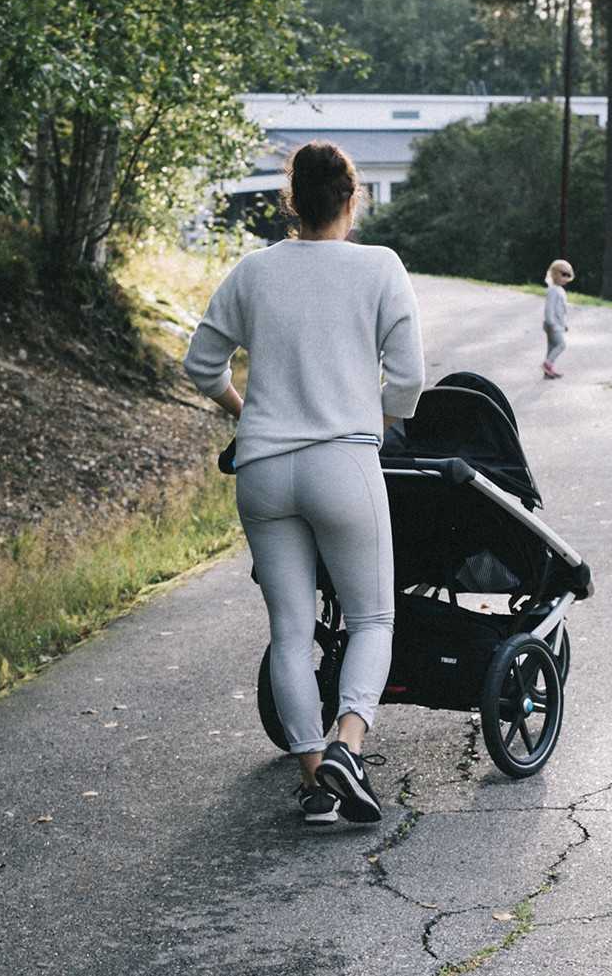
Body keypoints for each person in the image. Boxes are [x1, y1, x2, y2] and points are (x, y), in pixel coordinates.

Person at [184, 142, 425, 825]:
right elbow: (408, 378)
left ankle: (317, 779)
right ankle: (348, 745)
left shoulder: (254, 270)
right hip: (342, 462)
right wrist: (374, 423)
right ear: (353, 199)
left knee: (291, 628)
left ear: (293, 201)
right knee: (373, 615)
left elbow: (201, 364)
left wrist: (247, 413)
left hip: (262, 469)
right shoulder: (379, 267)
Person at [543, 258, 574, 380]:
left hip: (558, 324)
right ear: (555, 274)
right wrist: (551, 322)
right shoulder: (552, 290)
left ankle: (548, 371)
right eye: (563, 274)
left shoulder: (560, 290)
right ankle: (548, 364)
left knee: (551, 347)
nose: (565, 278)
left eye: (568, 275)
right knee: (561, 345)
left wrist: (565, 324)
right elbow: (549, 308)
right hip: (552, 324)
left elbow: (562, 310)